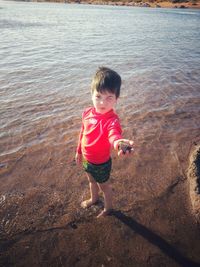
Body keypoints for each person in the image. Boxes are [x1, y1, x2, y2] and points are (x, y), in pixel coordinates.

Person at [75, 67, 134, 218]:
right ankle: (94, 199)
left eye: (109, 97)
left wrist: (119, 142)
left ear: (116, 99)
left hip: (101, 163)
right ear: (91, 94)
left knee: (104, 187)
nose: (102, 102)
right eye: (98, 96)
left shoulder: (112, 120)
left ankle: (108, 208)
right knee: (91, 181)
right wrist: (78, 151)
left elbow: (113, 135)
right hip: (87, 159)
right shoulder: (87, 113)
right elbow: (83, 133)